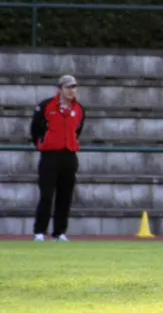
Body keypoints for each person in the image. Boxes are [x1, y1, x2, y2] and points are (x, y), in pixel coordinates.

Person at [30, 75, 85, 242]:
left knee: (65, 195)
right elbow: (35, 129)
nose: (72, 90)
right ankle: (40, 231)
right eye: (68, 87)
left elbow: (78, 130)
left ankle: (59, 232)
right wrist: (42, 145)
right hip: (50, 156)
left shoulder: (79, 109)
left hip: (69, 155)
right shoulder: (46, 106)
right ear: (60, 89)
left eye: (74, 87)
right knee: (46, 195)